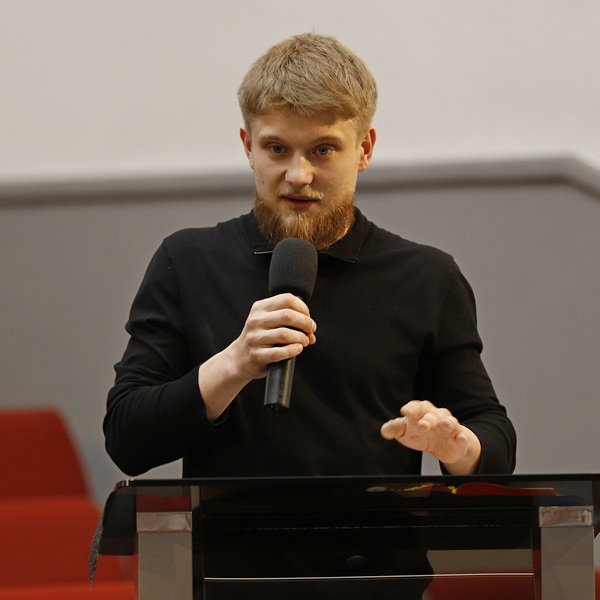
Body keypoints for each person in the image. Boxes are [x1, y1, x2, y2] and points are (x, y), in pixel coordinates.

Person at [104, 33, 516, 598]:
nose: (298, 174)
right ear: (248, 146)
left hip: (377, 581)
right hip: (225, 580)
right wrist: (233, 364)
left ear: (364, 149)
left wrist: (455, 444)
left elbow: (493, 435)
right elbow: (127, 437)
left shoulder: (426, 275)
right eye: (277, 149)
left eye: (323, 150)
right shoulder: (187, 261)